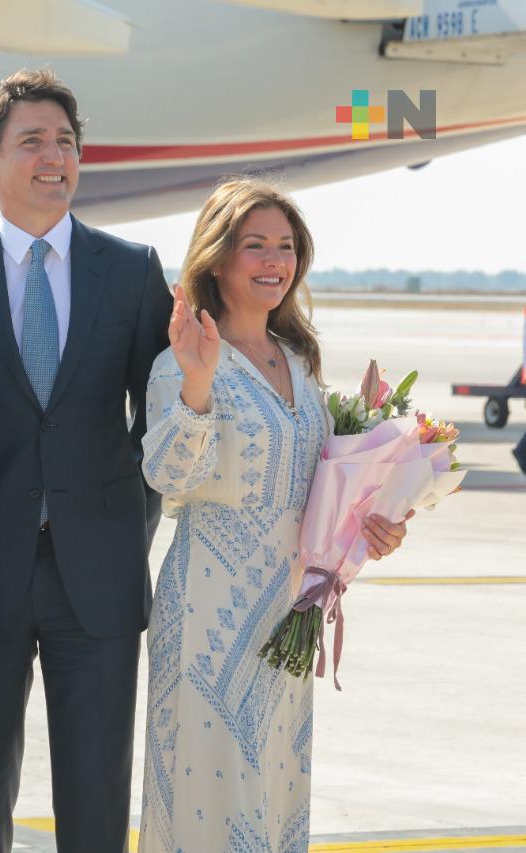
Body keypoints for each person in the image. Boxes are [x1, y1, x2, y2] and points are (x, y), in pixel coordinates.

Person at [0, 68, 174, 852]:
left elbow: (162, 429)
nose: (54, 156)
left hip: (102, 581)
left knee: (95, 806)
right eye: (31, 142)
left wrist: (123, 528)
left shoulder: (133, 270)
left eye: (66, 142)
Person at [138, 176, 411, 853]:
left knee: (274, 790)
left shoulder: (298, 361)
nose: (273, 261)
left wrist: (375, 525)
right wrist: (197, 386)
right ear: (218, 257)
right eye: (254, 244)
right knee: (211, 795)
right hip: (210, 609)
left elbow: (321, 489)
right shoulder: (180, 360)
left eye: (285, 246)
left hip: (290, 610)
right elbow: (169, 479)